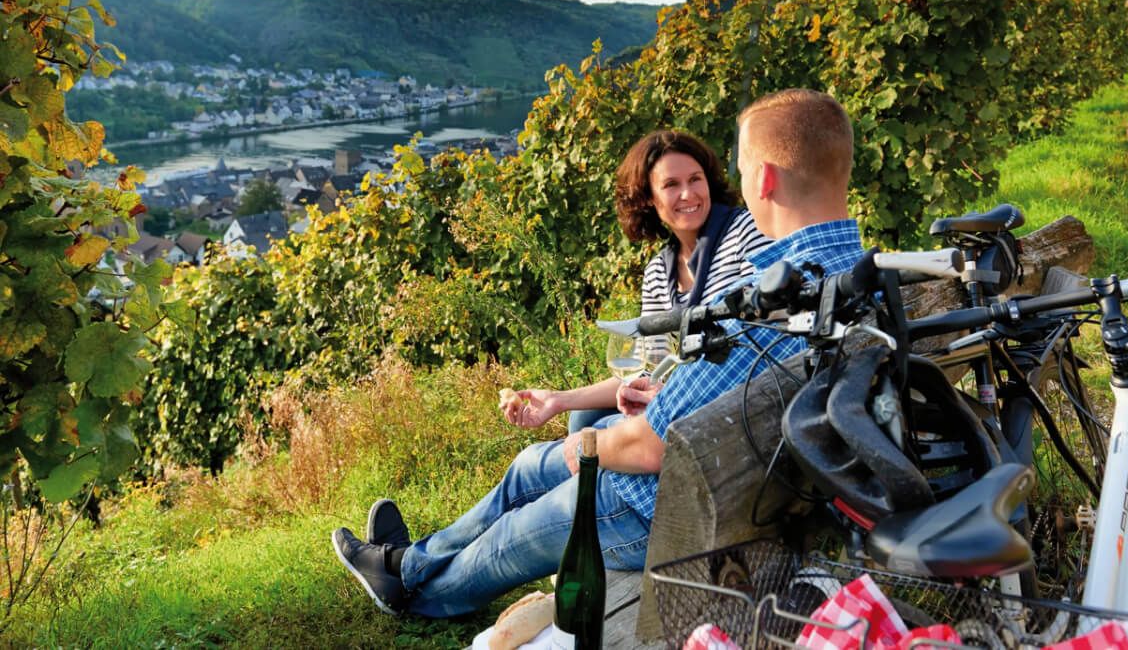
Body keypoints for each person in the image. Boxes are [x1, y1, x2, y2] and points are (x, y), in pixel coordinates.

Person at [332, 88, 864, 619]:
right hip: (741, 480)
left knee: (515, 533)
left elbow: (649, 449)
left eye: (743, 171)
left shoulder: (773, 301)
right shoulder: (863, 280)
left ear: (765, 178)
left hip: (677, 508)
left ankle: (415, 597)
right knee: (528, 468)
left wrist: (587, 443)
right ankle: (405, 564)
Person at [503, 129, 770, 434]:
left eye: (695, 179)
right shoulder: (658, 272)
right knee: (582, 419)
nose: (688, 193)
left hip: (726, 403)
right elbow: (648, 367)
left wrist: (669, 396)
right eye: (671, 185)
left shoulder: (744, 231)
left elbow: (761, 335)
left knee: (568, 449)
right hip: (679, 400)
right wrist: (558, 400)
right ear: (647, 200)